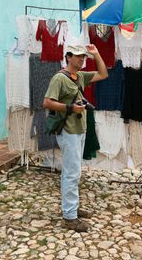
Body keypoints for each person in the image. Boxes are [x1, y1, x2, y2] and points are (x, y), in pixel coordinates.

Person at [43, 44, 108, 232]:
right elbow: (47, 102)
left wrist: (96, 54)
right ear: (69, 57)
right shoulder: (59, 78)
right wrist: (70, 108)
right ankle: (69, 217)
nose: (81, 60)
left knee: (74, 171)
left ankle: (72, 208)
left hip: (79, 129)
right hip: (68, 130)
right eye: (78, 56)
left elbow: (103, 74)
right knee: (72, 173)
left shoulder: (79, 76)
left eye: (83, 57)